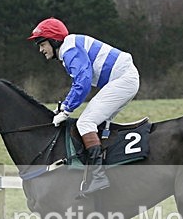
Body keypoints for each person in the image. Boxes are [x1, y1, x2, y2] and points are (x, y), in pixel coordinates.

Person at [28, 17, 140, 197]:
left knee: (85, 123)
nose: (41, 49)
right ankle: (103, 171)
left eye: (42, 44)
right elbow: (80, 82)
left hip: (123, 79)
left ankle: (98, 177)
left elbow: (83, 82)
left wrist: (66, 110)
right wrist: (64, 106)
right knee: (95, 124)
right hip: (124, 78)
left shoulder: (69, 49)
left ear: (54, 41)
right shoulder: (69, 47)